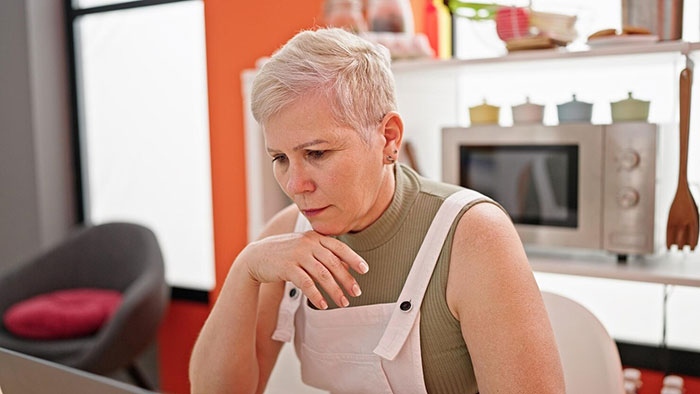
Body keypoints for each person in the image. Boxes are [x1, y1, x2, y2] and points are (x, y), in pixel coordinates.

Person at [189, 28, 564, 394]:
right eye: (280, 158)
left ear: (388, 138)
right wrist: (245, 269)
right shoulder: (286, 233)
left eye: (316, 153)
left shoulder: (474, 235)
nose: (294, 185)